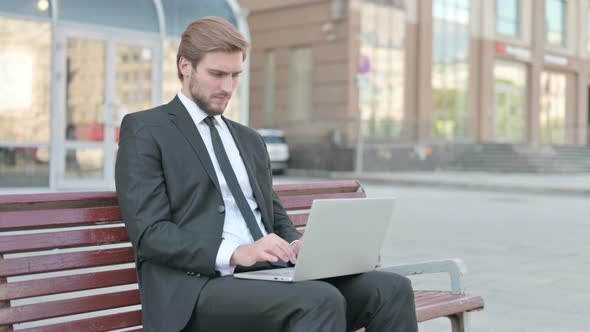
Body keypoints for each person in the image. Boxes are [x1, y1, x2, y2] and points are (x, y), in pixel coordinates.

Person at [115, 16, 418, 332]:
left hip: (269, 276)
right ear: (185, 66)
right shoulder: (147, 130)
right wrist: (236, 253)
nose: (227, 87)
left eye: (235, 76)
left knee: (391, 290)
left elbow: (271, 213)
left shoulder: (248, 139)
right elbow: (151, 234)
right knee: (318, 300)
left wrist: (296, 243)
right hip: (198, 289)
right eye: (217, 74)